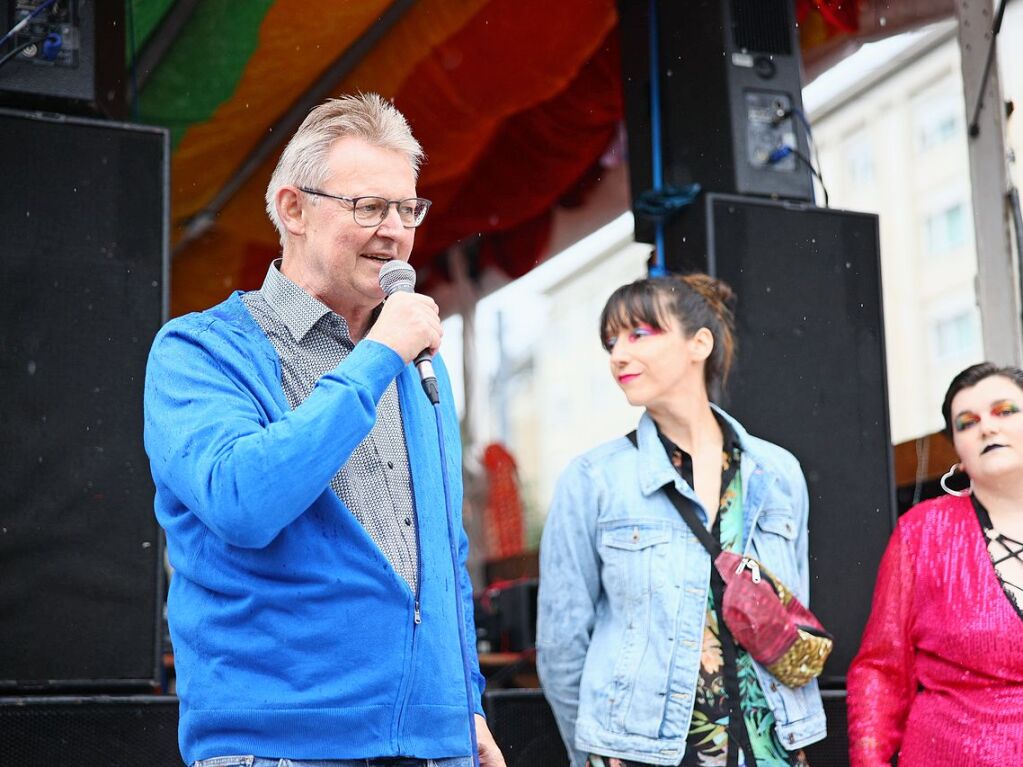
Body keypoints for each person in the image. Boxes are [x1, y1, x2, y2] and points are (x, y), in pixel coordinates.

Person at [144, 93, 505, 767]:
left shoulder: (412, 363)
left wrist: (465, 703)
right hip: (281, 749)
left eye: (407, 209)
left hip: (435, 745)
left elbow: (444, 553)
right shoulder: (199, 350)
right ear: (293, 209)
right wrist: (375, 361)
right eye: (369, 207)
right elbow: (242, 501)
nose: (394, 230)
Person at [536, 274, 825, 767]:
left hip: (772, 745)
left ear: (699, 343)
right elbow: (561, 646)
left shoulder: (777, 472)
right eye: (611, 342)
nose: (618, 355)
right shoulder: (593, 480)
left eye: (639, 334)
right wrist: (596, 754)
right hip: (644, 753)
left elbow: (790, 609)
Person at [847, 362, 1023, 766]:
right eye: (967, 422)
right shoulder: (924, 532)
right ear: (957, 452)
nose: (987, 428)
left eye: (1004, 411)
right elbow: (880, 670)